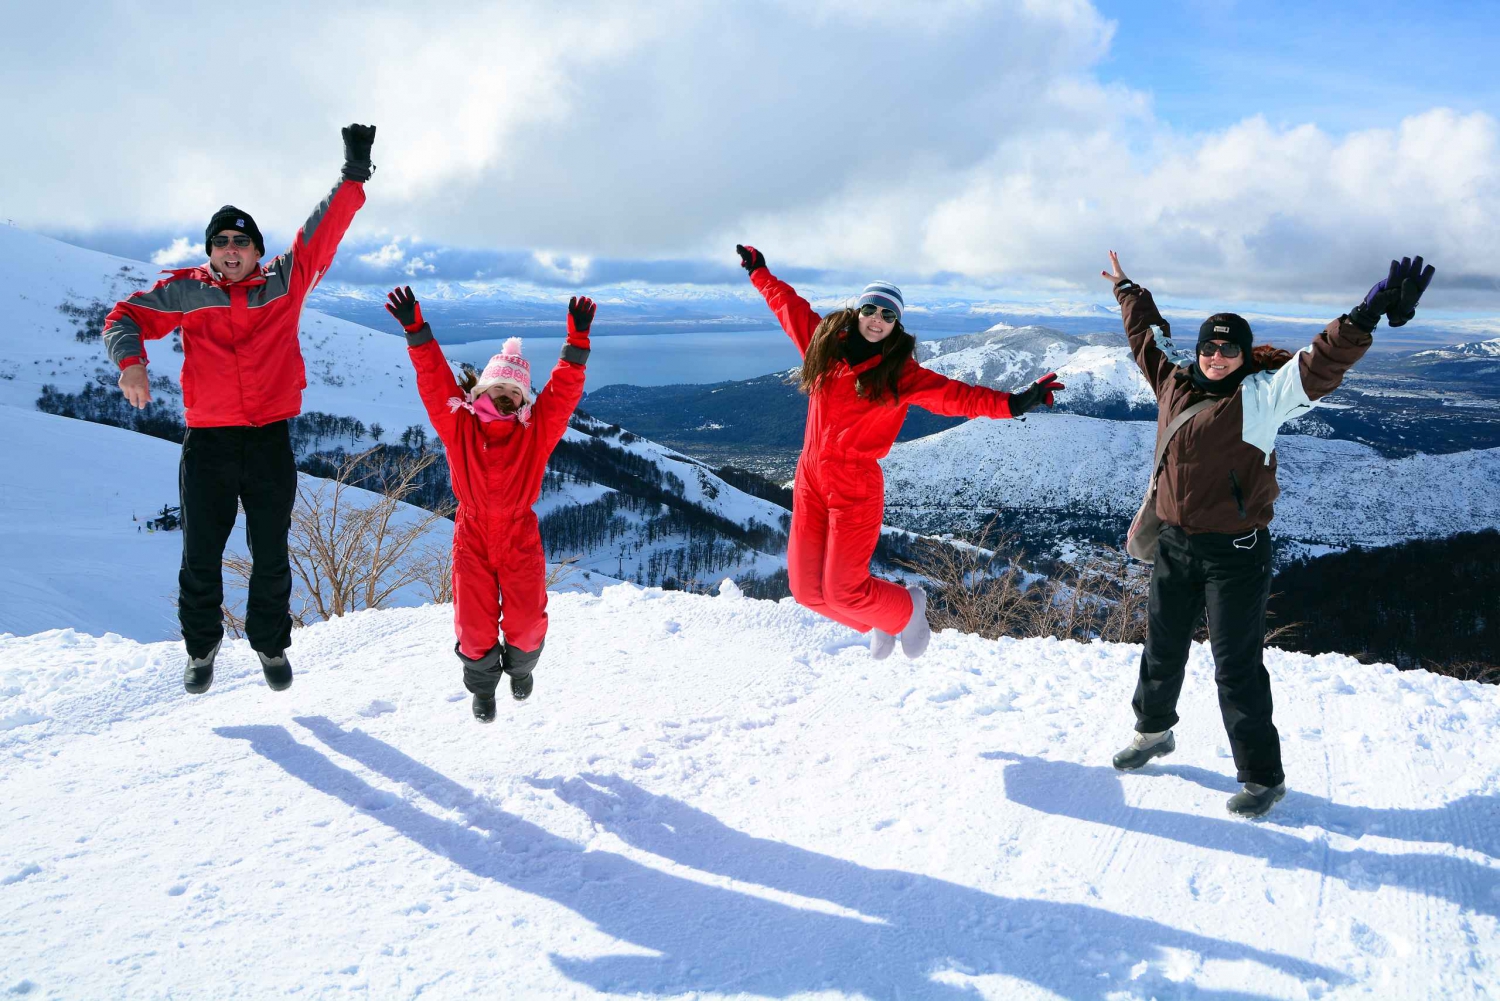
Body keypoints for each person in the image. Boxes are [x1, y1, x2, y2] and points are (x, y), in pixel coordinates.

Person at [1102, 250, 1436, 817]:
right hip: (1176, 545)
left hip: (1235, 554)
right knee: (1161, 647)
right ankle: (1153, 730)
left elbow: (1320, 365)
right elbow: (1146, 338)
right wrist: (1129, 289)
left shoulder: (1261, 397)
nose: (1215, 356)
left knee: (1235, 665)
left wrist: (1366, 314)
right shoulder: (1173, 384)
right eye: (1209, 345)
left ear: (1244, 354)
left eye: (1229, 348)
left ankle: (1262, 777)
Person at [103, 124, 378, 695]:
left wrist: (352, 176)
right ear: (211, 252)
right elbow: (123, 317)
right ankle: (201, 650)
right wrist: (130, 360)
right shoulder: (186, 291)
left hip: (268, 440)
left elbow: (322, 234)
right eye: (222, 243)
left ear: (256, 250)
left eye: (242, 242)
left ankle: (270, 644)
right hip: (208, 443)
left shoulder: (283, 280)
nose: (232, 251)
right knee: (200, 552)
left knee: (271, 552)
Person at [736, 244, 1064, 660]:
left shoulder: (900, 375)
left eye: (888, 315)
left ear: (897, 325)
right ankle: (883, 617)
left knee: (842, 590)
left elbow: (957, 397)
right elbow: (788, 307)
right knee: (806, 591)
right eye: (872, 309)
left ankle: (908, 608)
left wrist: (1015, 403)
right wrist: (759, 272)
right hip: (811, 480)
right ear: (858, 310)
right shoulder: (823, 348)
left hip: (855, 486)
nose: (877, 320)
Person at [386, 286, 592, 723]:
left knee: (527, 624)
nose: (505, 394)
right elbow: (433, 380)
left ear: (523, 400)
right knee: (475, 630)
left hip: (519, 535)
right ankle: (482, 689)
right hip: (473, 536)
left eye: (514, 391)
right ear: (481, 388)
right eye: (497, 385)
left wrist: (575, 348)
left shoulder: (534, 433)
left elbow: (562, 398)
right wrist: (416, 331)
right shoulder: (457, 424)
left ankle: (521, 670)